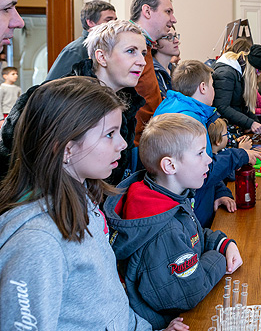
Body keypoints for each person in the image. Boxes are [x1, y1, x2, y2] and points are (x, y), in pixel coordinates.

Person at [0, 77, 187, 331]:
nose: (122, 144)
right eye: (109, 134)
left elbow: (106, 306)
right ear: (65, 148)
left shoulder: (85, 200)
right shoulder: (37, 242)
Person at [104, 113, 243, 329]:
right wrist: (218, 257)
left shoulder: (164, 196)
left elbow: (191, 234)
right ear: (169, 166)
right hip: (168, 318)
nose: (208, 159)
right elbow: (189, 292)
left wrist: (223, 243)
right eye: (199, 153)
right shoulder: (164, 229)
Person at [0, 19, 147, 184]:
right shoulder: (55, 99)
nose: (142, 61)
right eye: (131, 51)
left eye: (143, 53)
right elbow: (13, 158)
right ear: (102, 56)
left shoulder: (127, 105)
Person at [154, 59, 261, 226]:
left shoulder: (181, 108)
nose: (214, 91)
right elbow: (201, 170)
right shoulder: (188, 119)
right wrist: (241, 155)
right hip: (189, 218)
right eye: (212, 85)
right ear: (203, 87)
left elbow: (205, 162)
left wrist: (219, 191)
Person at [130, 0, 178, 144]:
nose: (173, 19)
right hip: (132, 144)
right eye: (168, 12)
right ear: (147, 11)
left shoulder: (146, 46)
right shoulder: (127, 44)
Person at [46, 0, 117, 80]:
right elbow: (51, 87)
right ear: (90, 22)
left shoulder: (107, 47)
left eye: (115, 20)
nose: (114, 24)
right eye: (109, 20)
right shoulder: (75, 50)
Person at [212, 38, 261, 133]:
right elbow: (222, 107)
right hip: (221, 131)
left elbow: (243, 105)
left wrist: (255, 122)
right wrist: (250, 123)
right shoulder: (226, 73)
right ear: (252, 66)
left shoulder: (239, 72)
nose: (259, 75)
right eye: (258, 71)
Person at [152, 26, 180, 99]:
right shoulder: (152, 74)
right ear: (155, 43)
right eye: (169, 37)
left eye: (175, 36)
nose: (176, 40)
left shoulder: (176, 70)